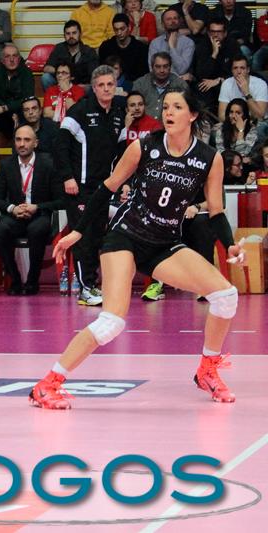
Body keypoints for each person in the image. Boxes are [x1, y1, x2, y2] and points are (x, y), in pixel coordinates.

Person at [31, 88, 245, 410]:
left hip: (165, 243)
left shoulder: (208, 158)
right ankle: (47, 384)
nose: (168, 112)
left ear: (192, 115)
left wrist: (229, 246)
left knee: (226, 296)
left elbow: (215, 212)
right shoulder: (144, 146)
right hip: (126, 238)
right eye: (166, 107)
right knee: (112, 321)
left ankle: (207, 370)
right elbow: (106, 189)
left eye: (177, 107)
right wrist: (77, 231)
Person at [56, 65, 126, 306]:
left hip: (104, 189)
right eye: (101, 85)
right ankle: (85, 288)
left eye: (110, 84)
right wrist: (67, 177)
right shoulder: (79, 111)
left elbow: (122, 152)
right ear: (94, 88)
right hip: (79, 188)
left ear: (115, 86)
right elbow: (60, 145)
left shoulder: (118, 113)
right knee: (82, 238)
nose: (106, 89)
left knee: (97, 238)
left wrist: (122, 182)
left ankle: (93, 285)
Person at [0, 125, 64, 295]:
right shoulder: (6, 165)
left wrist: (37, 207)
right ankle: (15, 280)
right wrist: (13, 208)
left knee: (37, 229)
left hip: (40, 214)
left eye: (26, 140)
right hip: (15, 216)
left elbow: (61, 200)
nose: (22, 144)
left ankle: (32, 281)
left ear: (35, 143)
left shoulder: (49, 164)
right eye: (18, 139)